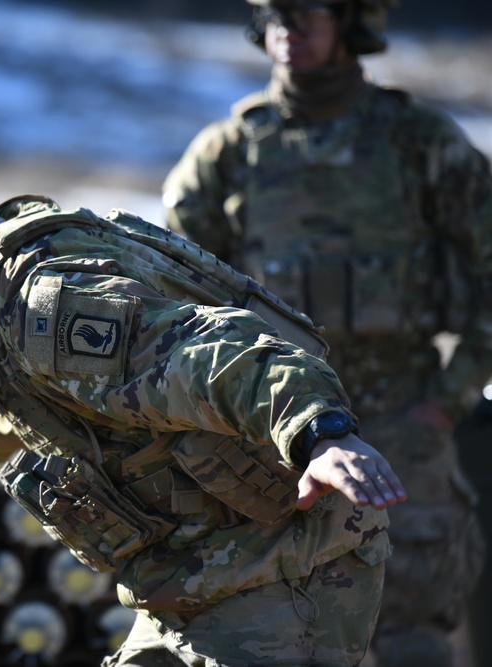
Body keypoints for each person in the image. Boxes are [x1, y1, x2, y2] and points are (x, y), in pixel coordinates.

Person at [0, 185, 406, 666]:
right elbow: (16, 399)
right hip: (195, 580)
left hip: (283, 568)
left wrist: (319, 432)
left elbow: (213, 356)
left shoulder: (44, 317)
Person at [160, 1, 490, 665]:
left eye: (308, 12)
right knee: (275, 630)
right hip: (274, 430)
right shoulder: (229, 152)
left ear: (350, 22)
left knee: (412, 626)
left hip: (401, 412)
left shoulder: (420, 142)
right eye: (276, 14)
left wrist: (445, 400)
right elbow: (176, 297)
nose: (290, 29)